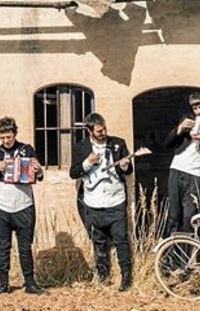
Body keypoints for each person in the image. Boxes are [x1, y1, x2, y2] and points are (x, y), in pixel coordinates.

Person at [70, 112, 133, 292]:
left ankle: (126, 277)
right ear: (90, 131)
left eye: (104, 129)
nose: (103, 132)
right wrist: (87, 163)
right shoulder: (81, 147)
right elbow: (73, 173)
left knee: (121, 240)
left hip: (116, 200)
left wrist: (125, 166)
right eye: (99, 131)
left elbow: (128, 170)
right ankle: (103, 276)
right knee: (98, 241)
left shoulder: (118, 143)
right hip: (93, 202)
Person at [0, 117, 45, 295]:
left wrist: (38, 170)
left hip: (24, 205)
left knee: (25, 247)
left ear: (15, 133)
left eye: (9, 137)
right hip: (2, 206)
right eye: (2, 138)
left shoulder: (27, 149)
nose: (6, 141)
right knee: (3, 246)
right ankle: (3, 283)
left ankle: (30, 283)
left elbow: (39, 176)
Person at [164, 91, 200, 236]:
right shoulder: (187, 119)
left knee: (189, 217)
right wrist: (179, 129)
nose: (198, 112)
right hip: (177, 169)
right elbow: (168, 144)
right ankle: (171, 250)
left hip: (196, 174)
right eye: (195, 108)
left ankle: (187, 250)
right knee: (173, 215)